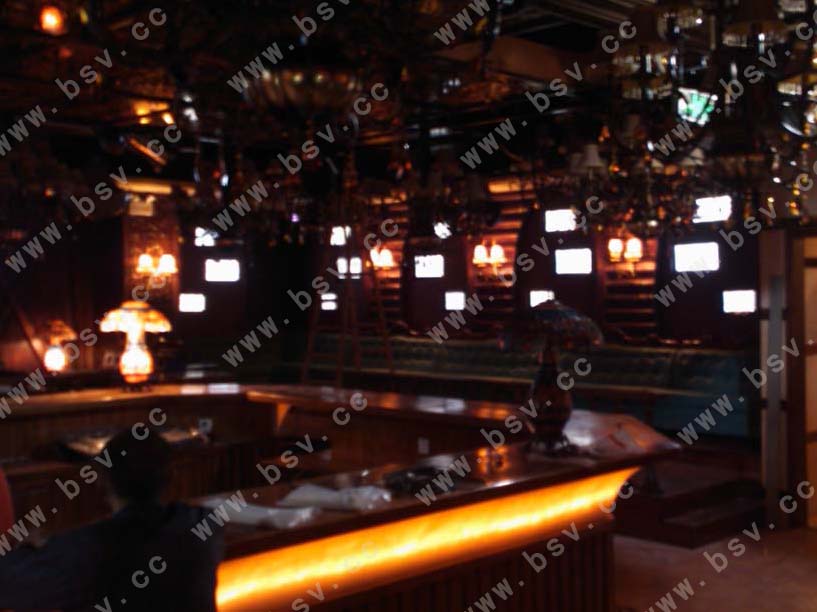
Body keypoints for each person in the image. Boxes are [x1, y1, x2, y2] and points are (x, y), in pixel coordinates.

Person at [0, 428, 224, 612]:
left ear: (103, 480)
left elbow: (9, 585)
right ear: (172, 477)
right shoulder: (203, 526)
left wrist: (28, 548)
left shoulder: (86, 548)